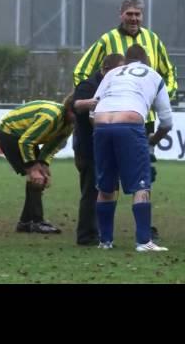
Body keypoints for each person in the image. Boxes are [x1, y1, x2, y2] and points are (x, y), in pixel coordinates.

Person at [73, 0, 173, 237]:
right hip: (112, 115)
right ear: (121, 15)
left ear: (142, 15)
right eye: (129, 14)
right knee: (105, 175)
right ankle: (97, 230)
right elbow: (81, 71)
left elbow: (168, 74)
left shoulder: (153, 39)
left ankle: (142, 226)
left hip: (143, 118)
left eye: (138, 14)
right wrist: (98, 97)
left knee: (143, 173)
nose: (134, 18)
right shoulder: (107, 39)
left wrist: (155, 98)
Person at [92, 44, 173, 252]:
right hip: (129, 122)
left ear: (126, 61)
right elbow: (166, 121)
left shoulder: (112, 73)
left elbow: (94, 107)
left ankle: (105, 241)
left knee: (106, 186)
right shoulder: (153, 75)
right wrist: (152, 140)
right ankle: (144, 241)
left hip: (101, 124)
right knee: (141, 184)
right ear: (145, 60)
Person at [0, 96, 75, 234]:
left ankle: (26, 223)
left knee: (40, 178)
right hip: (10, 133)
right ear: (69, 109)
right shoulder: (50, 117)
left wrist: (44, 164)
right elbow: (26, 142)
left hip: (24, 138)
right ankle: (36, 222)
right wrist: (33, 168)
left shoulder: (69, 125)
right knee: (37, 179)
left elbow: (52, 146)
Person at [72, 53, 125, 246]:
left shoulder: (115, 87)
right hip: (88, 148)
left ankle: (100, 231)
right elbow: (75, 104)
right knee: (91, 191)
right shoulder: (89, 85)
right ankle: (86, 235)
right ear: (106, 70)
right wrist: (93, 103)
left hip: (105, 147)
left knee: (106, 189)